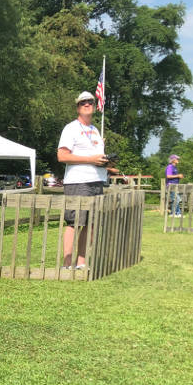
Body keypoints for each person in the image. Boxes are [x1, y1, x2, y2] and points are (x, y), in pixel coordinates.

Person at [57, 90, 121, 269]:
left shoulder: (95, 131)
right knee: (74, 222)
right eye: (83, 102)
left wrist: (107, 165)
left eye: (90, 102)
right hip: (78, 181)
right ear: (78, 107)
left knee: (90, 223)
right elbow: (62, 156)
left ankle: (81, 263)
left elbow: (95, 158)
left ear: (94, 106)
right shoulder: (71, 128)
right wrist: (91, 160)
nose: (87, 104)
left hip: (96, 181)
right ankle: (67, 264)